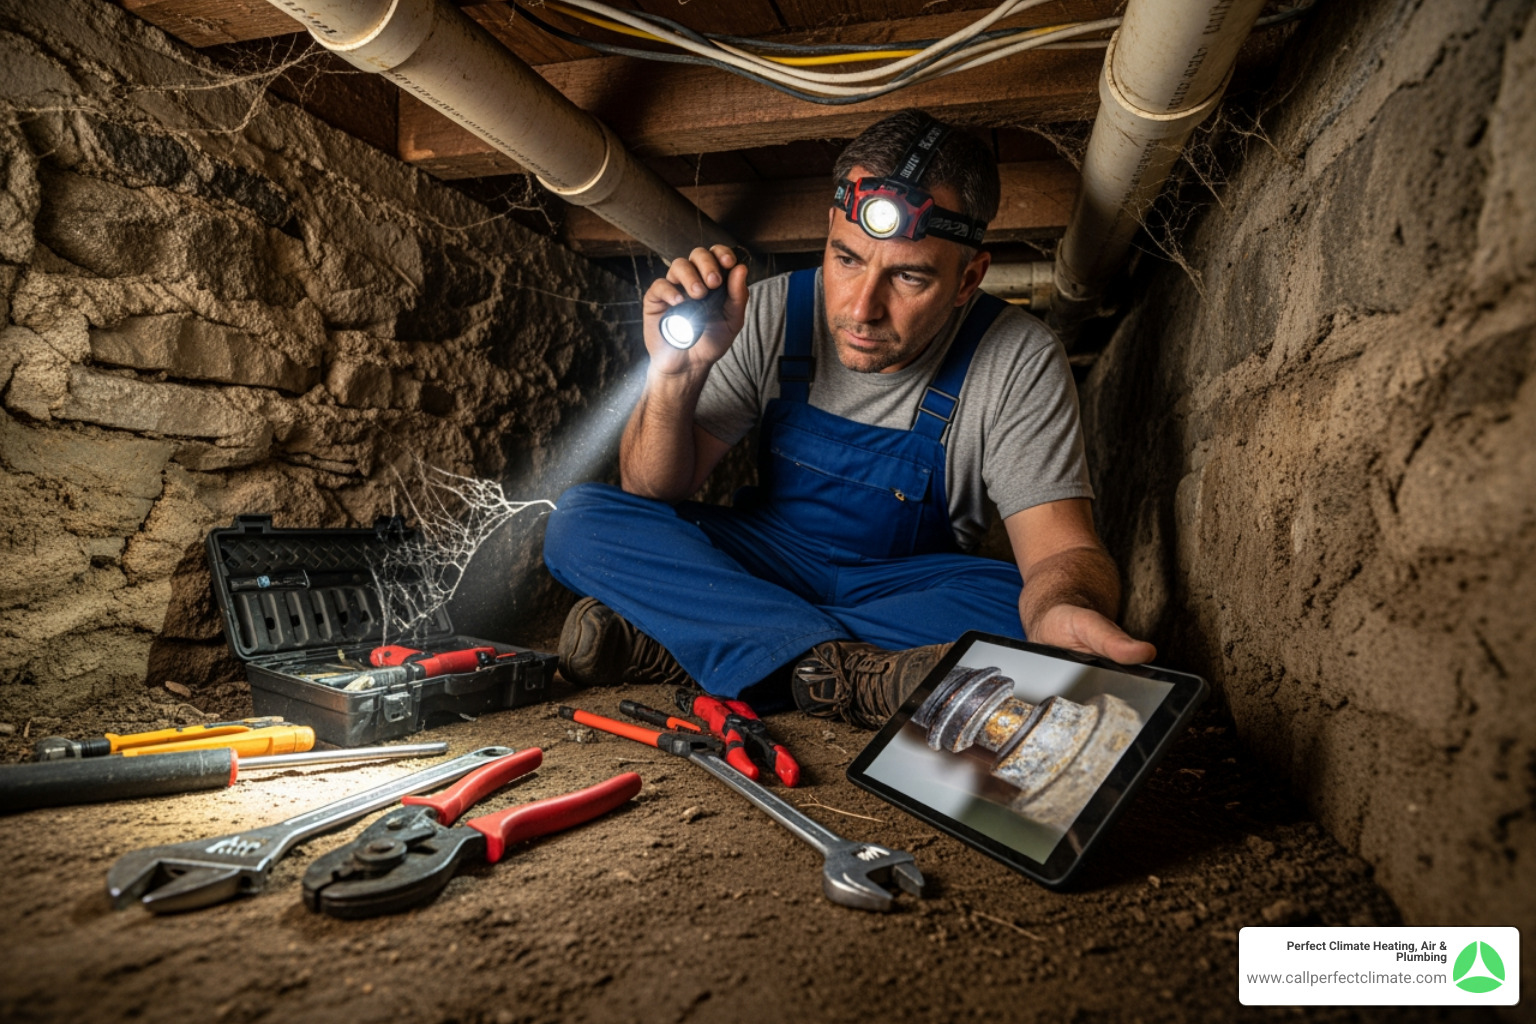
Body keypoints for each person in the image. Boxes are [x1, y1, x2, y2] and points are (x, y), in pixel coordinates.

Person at [543, 109, 1154, 728]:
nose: (862, 309)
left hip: (904, 589)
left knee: (1009, 606)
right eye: (847, 259)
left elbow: (1061, 551)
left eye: (908, 276)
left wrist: (1060, 607)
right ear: (828, 232)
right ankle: (853, 674)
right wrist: (674, 374)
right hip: (770, 559)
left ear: (968, 278)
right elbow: (650, 490)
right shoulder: (772, 310)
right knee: (582, 522)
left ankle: (708, 645)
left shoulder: (1018, 357)